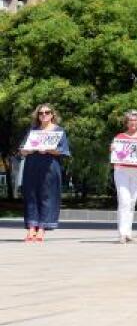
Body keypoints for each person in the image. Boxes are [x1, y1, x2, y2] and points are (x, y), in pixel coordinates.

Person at [19, 104, 71, 243]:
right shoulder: (33, 131)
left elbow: (63, 151)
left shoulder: (58, 131)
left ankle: (42, 228)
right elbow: (22, 150)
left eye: (47, 112)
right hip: (32, 166)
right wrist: (30, 149)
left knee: (47, 196)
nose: (43, 115)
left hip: (50, 167)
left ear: (52, 114)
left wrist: (49, 149)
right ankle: (31, 227)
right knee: (31, 195)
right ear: (37, 115)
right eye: (41, 113)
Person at [111, 110, 137, 244]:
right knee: (124, 200)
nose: (133, 123)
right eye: (130, 120)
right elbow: (115, 152)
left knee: (132, 201)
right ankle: (122, 233)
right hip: (122, 170)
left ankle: (128, 232)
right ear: (126, 123)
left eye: (135, 120)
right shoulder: (119, 136)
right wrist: (112, 148)